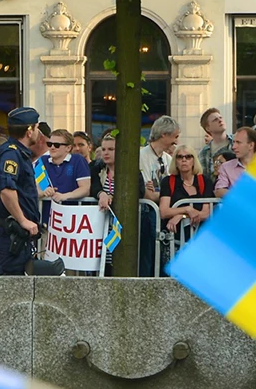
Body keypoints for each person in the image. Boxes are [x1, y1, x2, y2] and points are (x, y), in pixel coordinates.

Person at [0, 107, 42, 275]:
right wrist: (22, 220)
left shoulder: (18, 153)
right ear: (29, 131)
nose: (38, 132)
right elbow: (6, 189)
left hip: (18, 233)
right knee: (13, 285)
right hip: (11, 232)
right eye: (36, 127)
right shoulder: (11, 154)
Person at [90, 133, 148, 274]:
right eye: (103, 149)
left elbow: (139, 192)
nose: (106, 153)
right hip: (103, 224)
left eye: (111, 149)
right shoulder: (97, 169)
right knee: (104, 262)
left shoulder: (132, 171)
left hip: (125, 224)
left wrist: (113, 197)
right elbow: (92, 186)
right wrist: (101, 194)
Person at [159, 144, 213, 236]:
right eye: (180, 157)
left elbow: (206, 213)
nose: (184, 160)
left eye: (188, 157)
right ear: (175, 161)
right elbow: (164, 212)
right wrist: (187, 209)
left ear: (194, 161)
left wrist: (182, 216)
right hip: (175, 237)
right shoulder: (168, 181)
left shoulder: (204, 181)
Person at [38, 129, 91, 221]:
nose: (52, 147)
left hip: (73, 219)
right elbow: (34, 187)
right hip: (47, 218)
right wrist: (43, 192)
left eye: (57, 145)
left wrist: (64, 196)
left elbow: (85, 189)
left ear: (68, 148)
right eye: (49, 144)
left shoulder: (78, 160)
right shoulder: (42, 161)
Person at [139, 115, 180, 204]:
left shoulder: (168, 159)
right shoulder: (142, 157)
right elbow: (148, 195)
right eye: (175, 137)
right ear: (164, 134)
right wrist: (169, 195)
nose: (176, 142)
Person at [215, 127, 256, 198]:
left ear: (251, 145)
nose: (233, 147)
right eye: (234, 142)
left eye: (238, 142)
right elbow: (219, 191)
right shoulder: (226, 167)